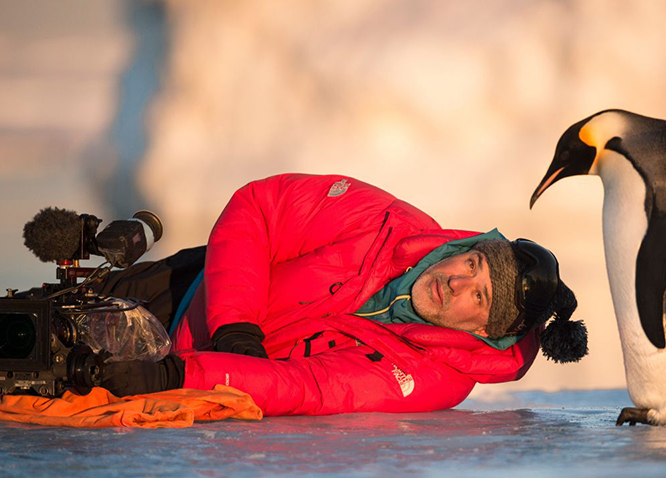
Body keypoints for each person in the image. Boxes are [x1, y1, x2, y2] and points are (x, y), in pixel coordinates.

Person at [99, 173, 587, 415]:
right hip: (187, 291)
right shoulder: (383, 221)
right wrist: (234, 325)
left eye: (478, 297)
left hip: (189, 382)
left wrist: (179, 373)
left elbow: (311, 388)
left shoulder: (434, 379)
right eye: (473, 263)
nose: (456, 281)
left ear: (483, 330)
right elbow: (260, 208)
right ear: (470, 248)